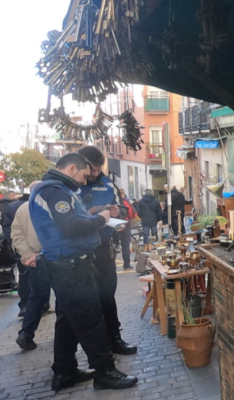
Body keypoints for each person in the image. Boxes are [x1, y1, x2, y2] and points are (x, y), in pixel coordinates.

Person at [29, 154, 137, 391]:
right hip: (71, 266)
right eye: (83, 175)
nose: (84, 180)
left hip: (66, 265)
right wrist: (100, 219)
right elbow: (71, 227)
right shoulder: (55, 191)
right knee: (91, 320)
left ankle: (64, 371)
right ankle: (105, 372)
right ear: (71, 168)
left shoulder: (54, 190)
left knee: (67, 321)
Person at [77, 146, 137, 355]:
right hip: (80, 250)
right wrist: (94, 212)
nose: (94, 174)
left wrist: (116, 212)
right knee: (85, 301)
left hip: (104, 247)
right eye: (91, 170)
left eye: (98, 170)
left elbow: (121, 209)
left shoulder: (107, 183)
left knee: (107, 294)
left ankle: (114, 339)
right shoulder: (71, 185)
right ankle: (94, 347)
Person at [11, 181, 53, 350]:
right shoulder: (50, 206)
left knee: (37, 296)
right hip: (53, 256)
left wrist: (29, 255)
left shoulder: (22, 209)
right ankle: (67, 336)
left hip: (36, 259)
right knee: (65, 299)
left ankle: (26, 334)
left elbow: (16, 235)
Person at [1, 193, 32, 317]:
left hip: (20, 247)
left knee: (24, 276)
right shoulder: (37, 204)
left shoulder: (12, 207)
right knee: (41, 277)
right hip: (39, 247)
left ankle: (24, 305)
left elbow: (6, 226)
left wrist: (13, 242)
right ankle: (43, 304)